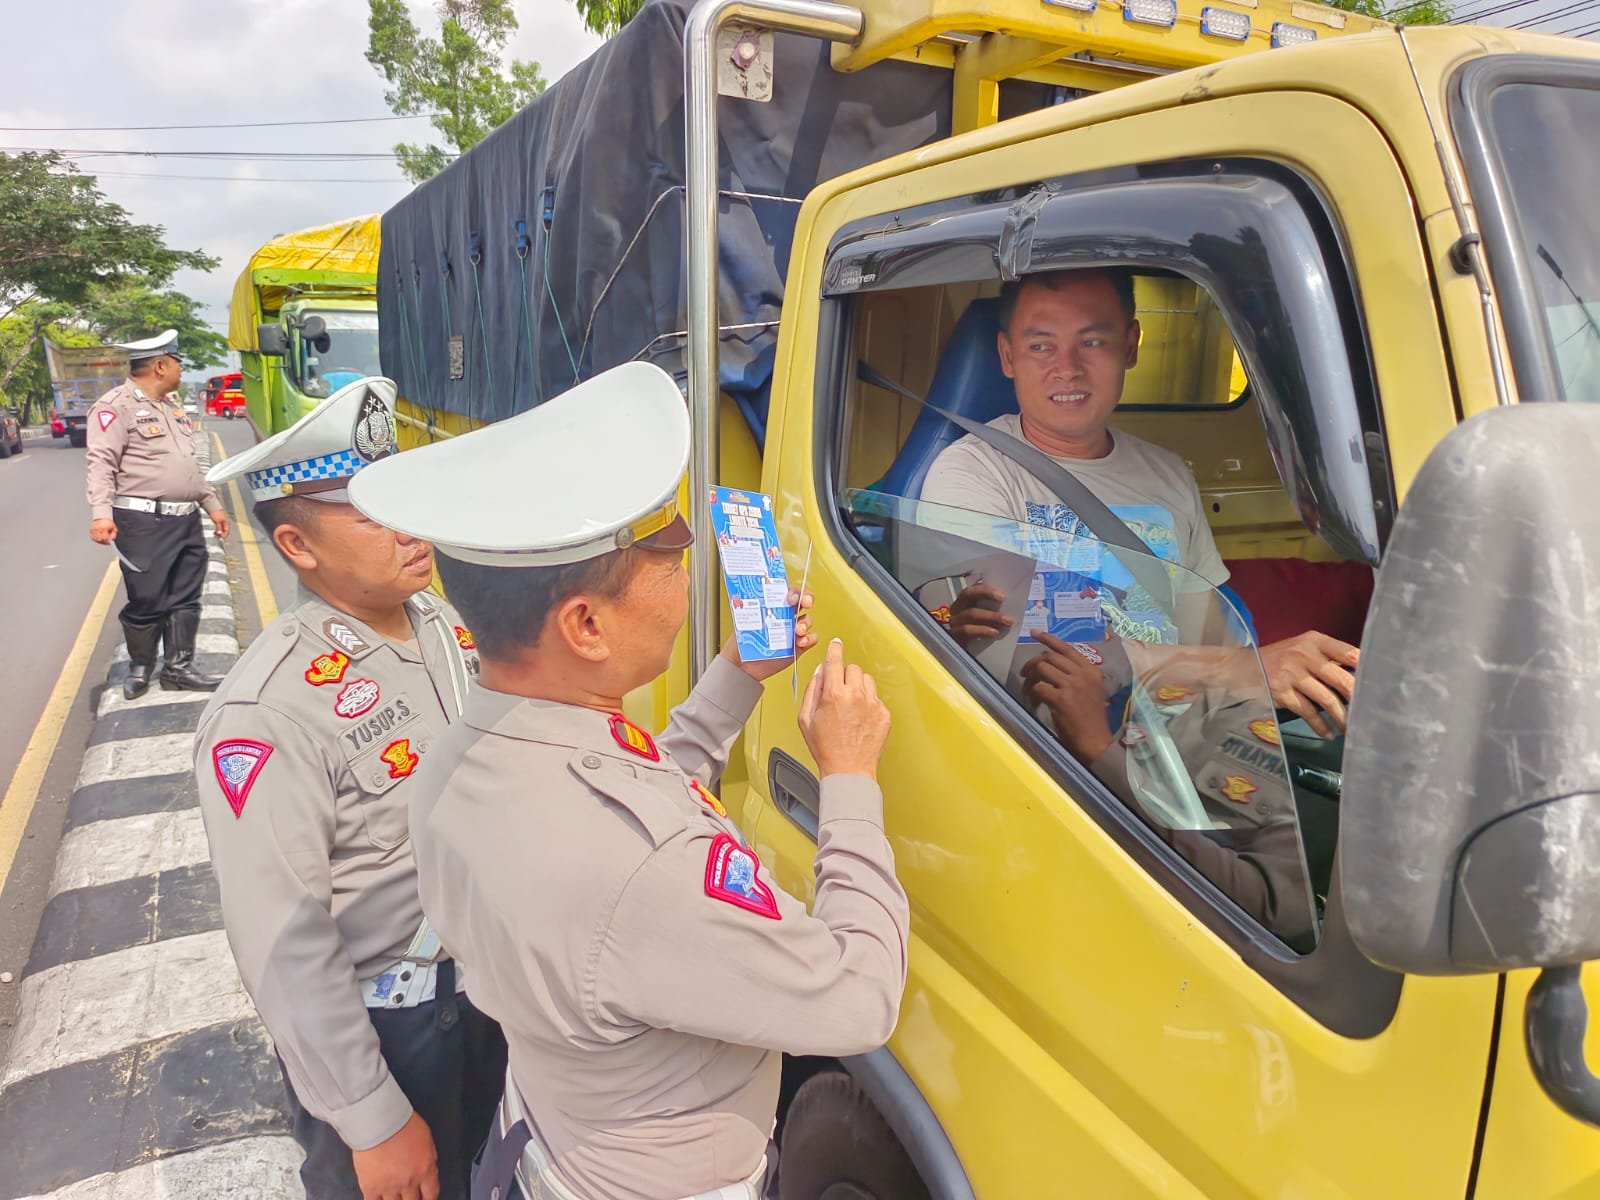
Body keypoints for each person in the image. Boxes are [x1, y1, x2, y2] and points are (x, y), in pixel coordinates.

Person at [346, 362, 909, 1200]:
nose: (688, 569)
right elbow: (857, 998)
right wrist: (853, 778)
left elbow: (631, 802)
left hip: (551, 1136)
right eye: (665, 555)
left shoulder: (460, 763)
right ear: (585, 624)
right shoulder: (635, 869)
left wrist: (735, 678)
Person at [193, 377, 506, 1200]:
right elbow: (282, 940)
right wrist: (368, 1115)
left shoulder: (442, 625)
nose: (410, 526)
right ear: (298, 547)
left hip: (492, 1003)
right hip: (394, 1034)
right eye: (373, 510)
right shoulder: (267, 712)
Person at [922, 268, 1360, 738]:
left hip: (1167, 740)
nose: (1067, 367)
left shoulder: (1167, 474)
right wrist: (1234, 669)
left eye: (1092, 342)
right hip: (1049, 750)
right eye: (1040, 345)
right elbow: (1030, 659)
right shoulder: (971, 474)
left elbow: (1207, 634)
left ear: (1130, 345)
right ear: (1008, 356)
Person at [86, 329, 232, 699]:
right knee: (147, 598)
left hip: (185, 520)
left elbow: (187, 467)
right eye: (178, 364)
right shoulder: (114, 407)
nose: (182, 371)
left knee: (186, 596)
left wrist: (212, 505)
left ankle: (179, 669)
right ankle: (140, 668)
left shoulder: (171, 408)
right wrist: (101, 513)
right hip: (143, 523)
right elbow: (101, 462)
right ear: (160, 365)